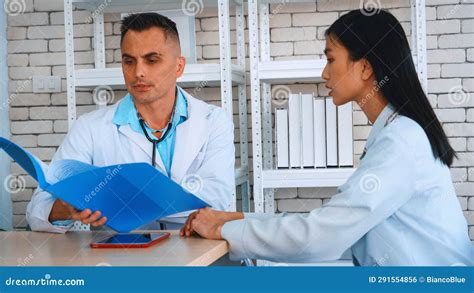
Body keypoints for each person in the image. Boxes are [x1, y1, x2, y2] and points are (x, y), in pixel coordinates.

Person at [181, 9, 473, 266]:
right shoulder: (397, 132)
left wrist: (223, 230)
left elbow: (321, 237)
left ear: (365, 67)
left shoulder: (401, 140)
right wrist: (236, 220)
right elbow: (332, 225)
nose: (324, 73)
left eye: (331, 59)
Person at [26, 13, 235, 233]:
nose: (138, 72)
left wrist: (122, 202)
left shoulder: (213, 121)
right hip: (119, 258)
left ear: (179, 66)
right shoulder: (89, 127)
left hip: (196, 249)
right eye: (129, 61)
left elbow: (216, 199)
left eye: (152, 60)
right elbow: (37, 210)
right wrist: (64, 208)